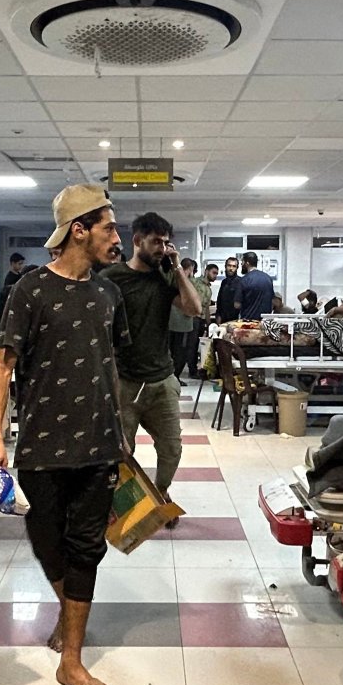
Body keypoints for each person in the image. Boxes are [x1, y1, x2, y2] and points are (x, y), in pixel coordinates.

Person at [0, 183, 127, 685]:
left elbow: (110, 366)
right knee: (47, 540)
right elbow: (2, 365)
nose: (117, 237)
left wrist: (124, 435)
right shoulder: (30, 291)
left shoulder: (109, 293)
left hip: (100, 444)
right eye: (109, 227)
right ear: (78, 230)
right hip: (42, 444)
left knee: (87, 547)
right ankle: (69, 619)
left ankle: (72, 661)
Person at [103, 213, 202, 517]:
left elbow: (194, 308)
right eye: (156, 241)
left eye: (166, 242)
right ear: (137, 241)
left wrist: (177, 269)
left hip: (161, 380)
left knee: (172, 449)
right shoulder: (111, 278)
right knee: (120, 452)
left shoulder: (166, 278)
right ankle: (121, 503)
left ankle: (160, 493)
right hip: (125, 382)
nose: (162, 247)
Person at [168, 257, 203, 381]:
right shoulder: (186, 283)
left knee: (172, 351)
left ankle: (172, 376)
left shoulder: (171, 280)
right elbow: (195, 305)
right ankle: (175, 376)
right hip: (182, 323)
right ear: (190, 269)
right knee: (181, 352)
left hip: (171, 323)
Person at [236, 251, 275, 321]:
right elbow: (272, 302)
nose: (241, 264)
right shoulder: (268, 278)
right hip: (265, 322)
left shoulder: (244, 280)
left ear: (247, 263)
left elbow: (237, 305)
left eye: (242, 262)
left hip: (248, 323)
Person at [0, 251, 25, 318]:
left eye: (22, 264)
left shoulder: (20, 275)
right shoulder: (9, 278)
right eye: (19, 264)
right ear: (13, 263)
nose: (21, 266)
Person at [215, 255, 243, 323]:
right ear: (225, 266)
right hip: (223, 320)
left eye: (234, 266)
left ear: (237, 268)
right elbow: (220, 302)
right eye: (229, 265)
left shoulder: (241, 282)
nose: (231, 268)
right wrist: (218, 317)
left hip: (236, 320)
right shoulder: (224, 282)